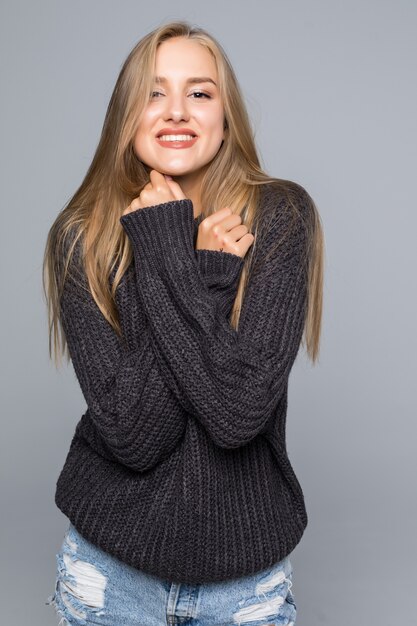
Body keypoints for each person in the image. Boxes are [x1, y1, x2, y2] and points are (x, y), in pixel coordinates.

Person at [42, 19, 324, 626]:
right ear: (126, 114)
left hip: (244, 586)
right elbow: (133, 435)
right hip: (107, 575)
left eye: (200, 92)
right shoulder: (80, 239)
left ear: (227, 118)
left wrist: (172, 261)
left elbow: (237, 414)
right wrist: (194, 265)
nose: (176, 111)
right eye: (153, 92)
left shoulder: (279, 218)